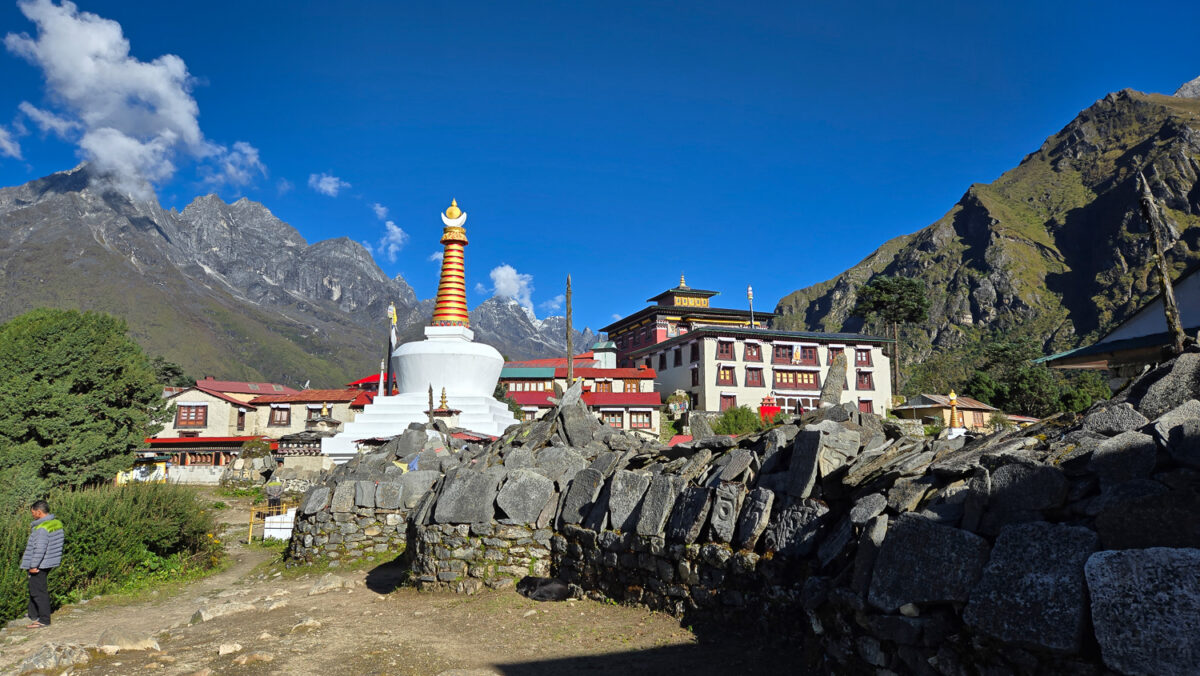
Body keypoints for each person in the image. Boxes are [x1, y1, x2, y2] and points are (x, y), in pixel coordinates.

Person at [20, 500, 63, 629]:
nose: (32, 515)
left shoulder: (41, 528)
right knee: (34, 588)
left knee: (38, 591)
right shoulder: (55, 523)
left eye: (33, 512)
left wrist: (33, 565)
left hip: (40, 564)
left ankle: (44, 620)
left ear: (39, 512)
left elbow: (40, 549)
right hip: (49, 561)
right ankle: (33, 614)